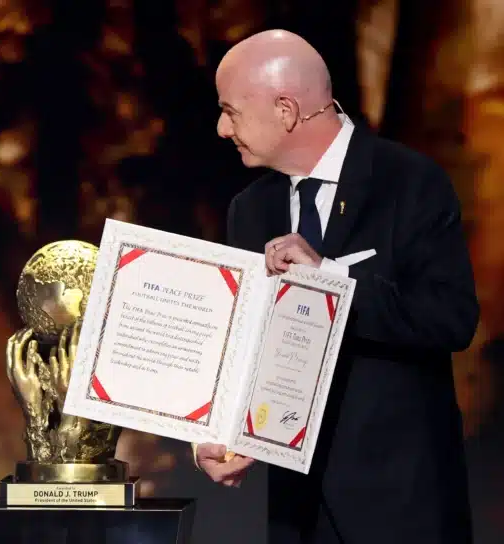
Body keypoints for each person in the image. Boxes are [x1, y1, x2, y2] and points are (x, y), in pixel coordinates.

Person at [192, 29, 479, 543]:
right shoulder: (250, 209)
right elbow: (246, 346)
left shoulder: (410, 181)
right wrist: (221, 434)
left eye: (230, 111)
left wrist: (328, 279)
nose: (221, 128)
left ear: (286, 110)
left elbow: (450, 319)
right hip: (296, 512)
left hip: (402, 507)